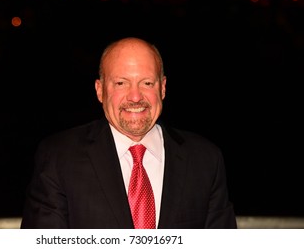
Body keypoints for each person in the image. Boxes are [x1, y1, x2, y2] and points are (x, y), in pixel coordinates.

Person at [20, 37, 237, 229]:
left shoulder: (205, 160)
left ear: (162, 88)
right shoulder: (59, 158)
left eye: (147, 83)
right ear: (100, 90)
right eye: (121, 83)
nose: (135, 96)